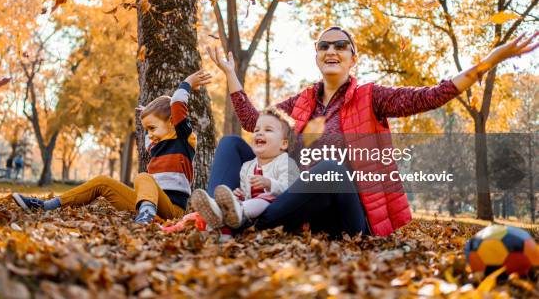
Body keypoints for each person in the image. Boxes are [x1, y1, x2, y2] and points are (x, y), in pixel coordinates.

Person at [207, 28, 538, 238]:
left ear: (354, 58)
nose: (332, 50)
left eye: (341, 45)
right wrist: (230, 72)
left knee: (331, 168)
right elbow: (253, 121)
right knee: (232, 144)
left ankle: (244, 224)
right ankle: (214, 213)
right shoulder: (301, 101)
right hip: (295, 203)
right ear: (317, 56)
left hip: (347, 214)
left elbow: (431, 95)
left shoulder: (371, 96)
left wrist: (489, 61)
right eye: (324, 45)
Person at [11, 70, 211, 225]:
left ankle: (146, 214)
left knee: (142, 177)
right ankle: (47, 206)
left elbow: (176, 103)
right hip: (146, 204)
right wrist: (146, 113)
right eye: (146, 130)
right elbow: (152, 122)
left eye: (152, 128)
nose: (148, 134)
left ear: (171, 122)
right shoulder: (155, 146)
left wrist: (187, 84)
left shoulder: (185, 139)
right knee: (102, 181)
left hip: (171, 210)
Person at [191, 107, 300, 229]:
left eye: (268, 130)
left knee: (265, 198)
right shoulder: (247, 166)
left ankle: (236, 212)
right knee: (238, 200)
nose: (259, 133)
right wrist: (241, 194)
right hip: (250, 212)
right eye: (256, 130)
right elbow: (248, 194)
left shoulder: (285, 162)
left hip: (275, 207)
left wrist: (269, 183)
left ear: (283, 144)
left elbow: (290, 189)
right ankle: (219, 216)